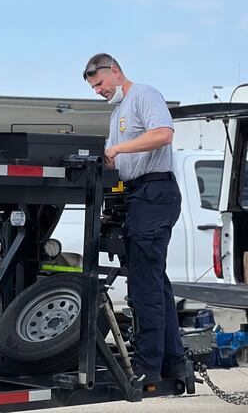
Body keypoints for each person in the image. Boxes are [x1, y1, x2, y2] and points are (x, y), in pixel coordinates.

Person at [83, 53, 185, 384]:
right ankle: (173, 362)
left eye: (99, 82)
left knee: (144, 283)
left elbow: (163, 134)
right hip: (138, 195)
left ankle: (147, 367)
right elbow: (115, 158)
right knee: (154, 280)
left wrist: (120, 150)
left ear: (114, 71)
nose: (97, 90)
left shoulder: (144, 94)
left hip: (155, 193)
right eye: (93, 86)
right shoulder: (117, 114)